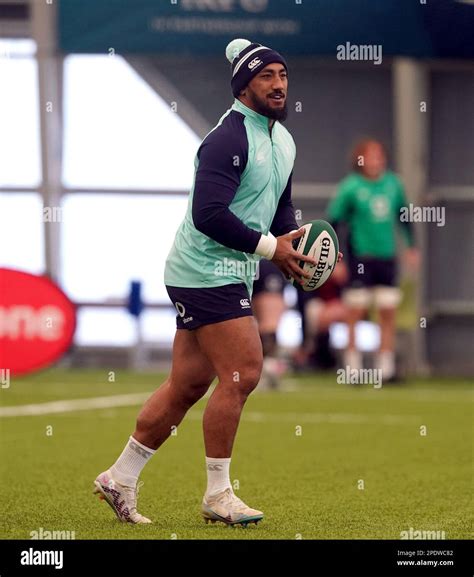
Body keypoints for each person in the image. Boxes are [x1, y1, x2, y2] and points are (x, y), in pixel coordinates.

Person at [93, 38, 326, 527]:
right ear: (244, 85)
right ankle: (219, 494)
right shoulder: (226, 138)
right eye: (267, 76)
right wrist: (270, 249)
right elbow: (208, 215)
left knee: (188, 384)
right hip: (202, 268)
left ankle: (120, 477)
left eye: (283, 75)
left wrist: (288, 243)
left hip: (230, 268)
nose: (279, 84)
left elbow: (280, 204)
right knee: (244, 369)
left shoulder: (283, 140)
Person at [327, 138, 419, 382]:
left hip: (386, 258)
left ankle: (385, 369)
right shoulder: (351, 187)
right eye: (371, 156)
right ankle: (353, 369)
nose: (377, 160)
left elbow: (404, 217)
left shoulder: (393, 184)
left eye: (380, 155)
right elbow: (335, 222)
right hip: (360, 258)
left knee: (388, 311)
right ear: (360, 159)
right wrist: (337, 260)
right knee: (355, 311)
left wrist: (411, 247)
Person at [294, 261, 348, 370]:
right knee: (313, 312)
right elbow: (305, 297)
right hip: (317, 303)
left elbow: (344, 277)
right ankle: (310, 352)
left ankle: (347, 362)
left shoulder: (344, 259)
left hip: (338, 302)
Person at [252, 259, 287, 389]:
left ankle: (267, 368)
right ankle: (268, 368)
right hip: (262, 254)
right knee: (269, 322)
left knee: (268, 321)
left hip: (228, 260)